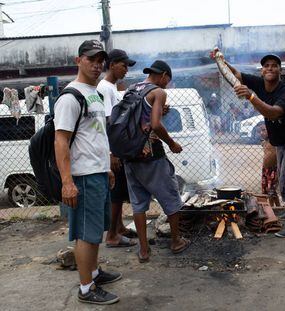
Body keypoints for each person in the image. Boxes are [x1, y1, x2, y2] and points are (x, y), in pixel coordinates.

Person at [212, 48, 285, 238]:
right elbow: (235, 76)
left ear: (280, 71)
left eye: (274, 66)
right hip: (281, 141)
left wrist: (250, 96)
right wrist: (221, 61)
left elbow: (272, 113)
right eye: (266, 66)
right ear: (262, 71)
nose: (270, 68)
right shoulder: (260, 83)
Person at [54, 40, 121, 305]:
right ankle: (86, 289)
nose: (97, 65)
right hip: (82, 176)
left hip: (98, 172)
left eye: (100, 60)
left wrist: (106, 166)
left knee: (96, 231)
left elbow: (96, 135)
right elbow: (61, 140)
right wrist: (67, 182)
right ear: (78, 60)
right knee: (86, 232)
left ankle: (93, 273)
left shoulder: (94, 92)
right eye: (91, 59)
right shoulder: (71, 97)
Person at [123, 60, 190, 263]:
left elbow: (136, 119)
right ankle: (176, 241)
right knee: (170, 196)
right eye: (168, 81)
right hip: (151, 155)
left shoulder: (132, 89)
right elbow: (154, 124)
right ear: (163, 76)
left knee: (138, 203)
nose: (167, 85)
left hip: (130, 154)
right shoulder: (159, 92)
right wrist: (171, 143)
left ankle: (144, 250)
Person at [97, 49, 138, 248]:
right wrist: (112, 153)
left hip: (115, 147)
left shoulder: (112, 87)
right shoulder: (105, 88)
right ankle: (112, 235)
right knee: (116, 192)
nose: (126, 71)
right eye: (123, 65)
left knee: (119, 192)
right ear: (112, 64)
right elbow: (106, 123)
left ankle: (120, 227)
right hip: (112, 150)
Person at [260, 123, 281, 207]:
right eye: (260, 131)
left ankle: (272, 208)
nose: (261, 133)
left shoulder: (275, 143)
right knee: (267, 189)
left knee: (271, 190)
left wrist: (278, 170)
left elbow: (278, 157)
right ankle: (278, 206)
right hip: (265, 169)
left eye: (264, 130)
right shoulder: (264, 143)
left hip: (274, 169)